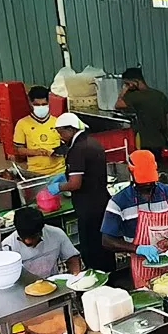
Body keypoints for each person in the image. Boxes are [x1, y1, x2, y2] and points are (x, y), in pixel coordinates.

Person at [101, 150, 168, 288]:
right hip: (143, 267)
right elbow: (107, 241)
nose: (147, 186)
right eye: (143, 182)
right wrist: (138, 248)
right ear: (131, 173)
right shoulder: (119, 202)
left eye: (150, 182)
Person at [46, 113, 115, 273]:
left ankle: (97, 281)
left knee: (90, 247)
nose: (60, 136)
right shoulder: (92, 142)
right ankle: (110, 277)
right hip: (101, 201)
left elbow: (75, 184)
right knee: (104, 244)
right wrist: (66, 174)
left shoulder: (77, 149)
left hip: (88, 206)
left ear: (70, 129)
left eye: (61, 132)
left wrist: (57, 188)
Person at [116, 68, 168, 166]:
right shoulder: (160, 95)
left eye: (127, 83)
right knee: (161, 168)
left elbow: (118, 105)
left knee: (146, 170)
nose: (127, 86)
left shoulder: (135, 96)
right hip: (160, 141)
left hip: (145, 143)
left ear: (135, 81)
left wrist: (123, 91)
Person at [3, 207, 81, 278]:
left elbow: (72, 258)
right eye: (23, 238)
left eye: (33, 237)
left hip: (52, 281)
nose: (28, 241)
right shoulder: (7, 247)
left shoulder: (56, 234)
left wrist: (76, 278)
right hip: (25, 287)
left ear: (41, 231)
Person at [12, 86, 65, 176]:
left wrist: (56, 151)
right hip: (35, 172)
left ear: (49, 103)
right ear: (30, 103)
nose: (41, 107)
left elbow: (68, 145)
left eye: (44, 104)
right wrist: (37, 152)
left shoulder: (58, 122)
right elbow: (18, 149)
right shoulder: (22, 123)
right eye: (37, 105)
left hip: (60, 171)